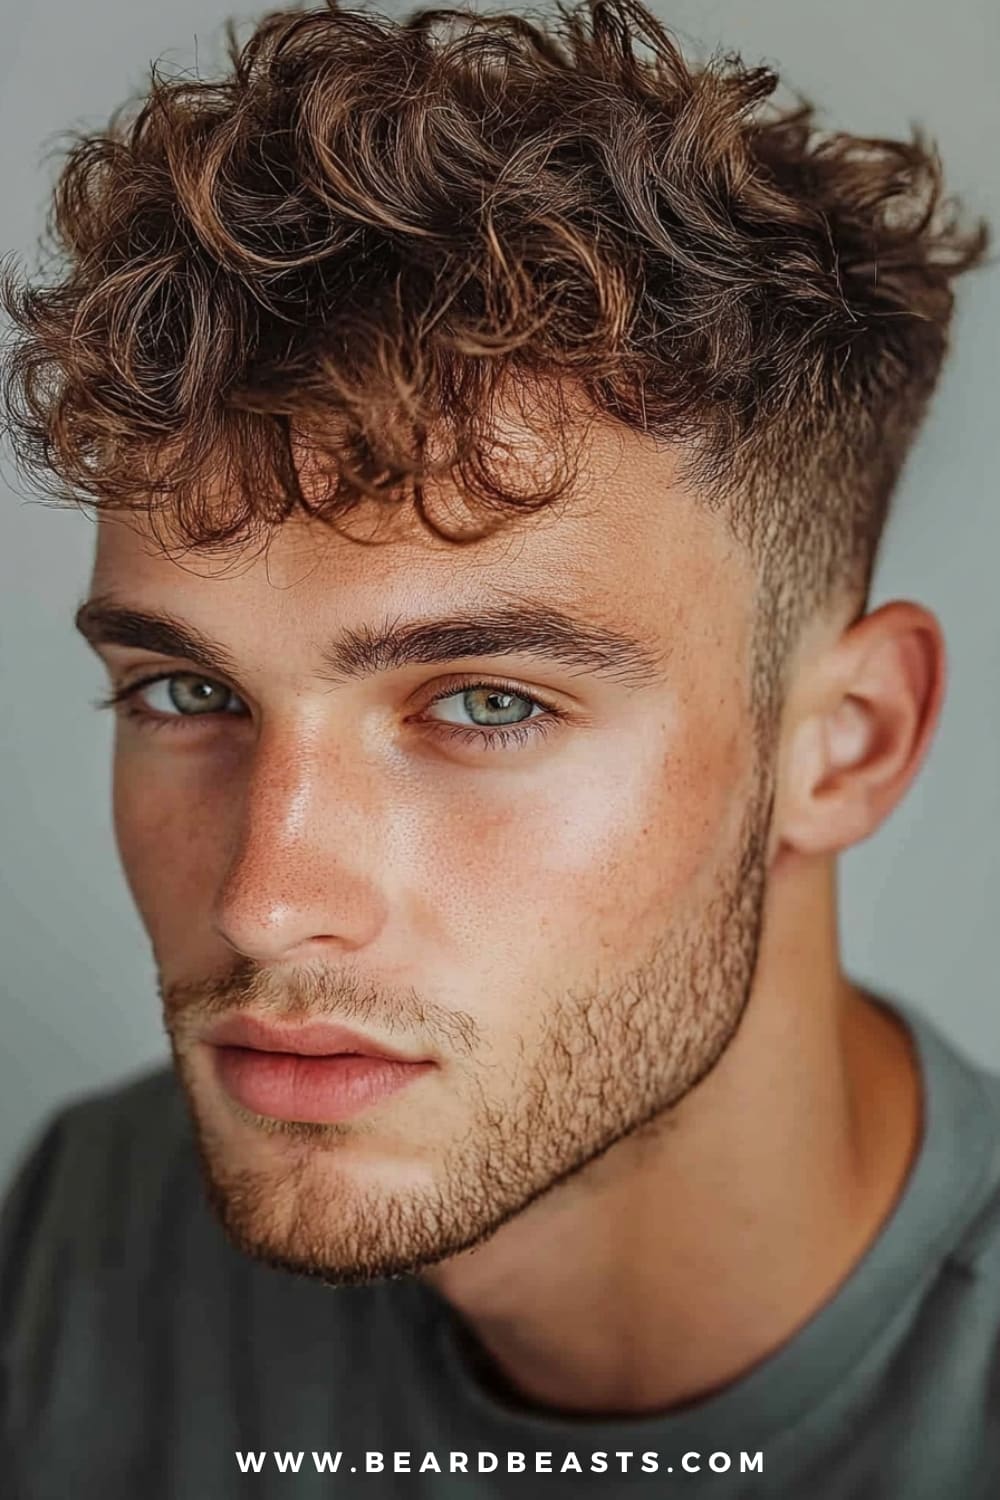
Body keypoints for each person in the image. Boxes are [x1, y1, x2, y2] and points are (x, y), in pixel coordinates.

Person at [1, 0, 997, 1494]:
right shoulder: (98, 1219)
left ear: (845, 745)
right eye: (188, 696)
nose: (262, 904)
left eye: (487, 704)